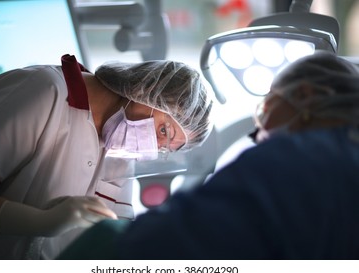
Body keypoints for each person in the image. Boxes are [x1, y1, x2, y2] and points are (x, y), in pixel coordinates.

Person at [58, 50, 359, 260]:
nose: (260, 135)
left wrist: (107, 238)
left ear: (304, 95)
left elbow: (169, 244)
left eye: (265, 111)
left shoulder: (291, 160)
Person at [0, 54, 213, 259]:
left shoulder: (121, 148)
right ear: (148, 91)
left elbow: (113, 239)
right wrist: (39, 221)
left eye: (164, 149)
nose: (152, 148)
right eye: (163, 131)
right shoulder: (43, 92)